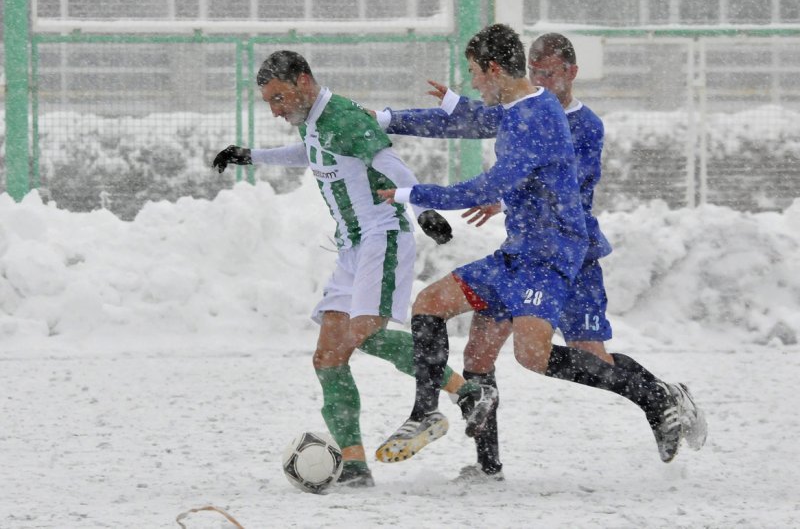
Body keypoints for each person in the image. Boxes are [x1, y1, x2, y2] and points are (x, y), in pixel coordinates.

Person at [374, 33, 707, 479]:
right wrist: (388, 118)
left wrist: (418, 192)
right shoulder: (523, 107)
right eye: (537, 71)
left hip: (562, 251)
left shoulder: (565, 120)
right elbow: (480, 122)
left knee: (563, 354)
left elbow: (522, 170)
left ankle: (658, 397)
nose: (542, 78)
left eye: (474, 73)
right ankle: (475, 455)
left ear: (571, 71)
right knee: (465, 339)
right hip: (522, 248)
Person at [211, 50, 499, 488]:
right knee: (328, 356)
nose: (275, 109)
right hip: (351, 247)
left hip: (381, 238)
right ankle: (356, 468)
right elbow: (310, 154)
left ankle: (470, 394)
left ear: (304, 82)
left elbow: (388, 163)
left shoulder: (342, 116)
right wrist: (252, 156)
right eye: (269, 101)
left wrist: (423, 209)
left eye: (279, 97)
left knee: (366, 332)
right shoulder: (313, 121)